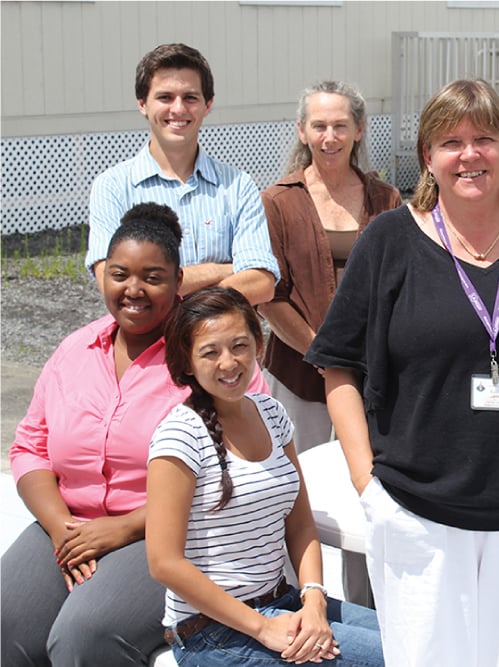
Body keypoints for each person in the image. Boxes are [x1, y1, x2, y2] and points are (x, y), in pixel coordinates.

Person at [304, 78, 499, 667]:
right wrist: (365, 480)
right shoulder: (388, 242)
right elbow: (339, 366)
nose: (469, 154)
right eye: (450, 142)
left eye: (484, 139)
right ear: (428, 156)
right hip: (417, 511)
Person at [2, 203, 257, 664]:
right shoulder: (74, 350)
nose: (133, 290)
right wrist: (63, 528)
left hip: (164, 533)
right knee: (5, 616)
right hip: (67, 522)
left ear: (179, 281)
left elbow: (238, 465)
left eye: (152, 277)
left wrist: (120, 528)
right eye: (119, 274)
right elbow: (30, 446)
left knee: (85, 634)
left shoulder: (211, 359)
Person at [145, 287, 384, 667]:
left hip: (283, 602)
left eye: (240, 345)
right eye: (210, 352)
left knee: (415, 636)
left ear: (258, 343)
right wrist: (261, 628)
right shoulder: (180, 436)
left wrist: (314, 599)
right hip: (214, 630)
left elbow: (300, 523)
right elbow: (164, 562)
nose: (229, 362)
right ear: (187, 362)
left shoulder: (270, 412)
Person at [258, 81, 402, 454]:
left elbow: (401, 285)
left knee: (371, 474)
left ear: (359, 129)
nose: (330, 136)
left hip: (373, 374)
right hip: (297, 373)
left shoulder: (387, 199)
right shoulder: (278, 201)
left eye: (340, 125)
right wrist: (321, 353)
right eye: (319, 125)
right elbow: (270, 296)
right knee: (299, 480)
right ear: (302, 131)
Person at [85, 43, 279, 306]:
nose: (178, 109)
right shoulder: (113, 186)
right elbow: (113, 284)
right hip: (149, 346)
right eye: (165, 97)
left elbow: (262, 283)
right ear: (142, 104)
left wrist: (162, 290)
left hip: (220, 346)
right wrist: (226, 269)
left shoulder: (237, 185)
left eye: (190, 97)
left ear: (207, 105)